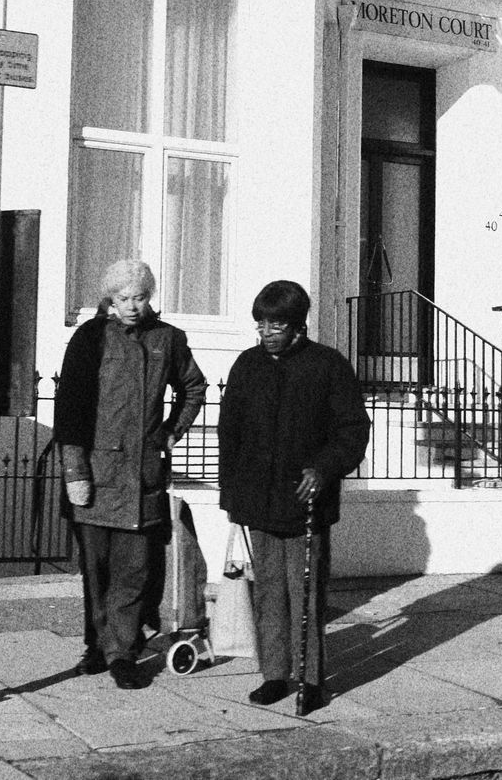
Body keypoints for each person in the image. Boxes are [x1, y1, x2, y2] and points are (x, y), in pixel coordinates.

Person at [217, 280, 370, 713]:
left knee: (304, 591)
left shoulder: (328, 366)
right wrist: (232, 495)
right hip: (259, 501)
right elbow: (230, 433)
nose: (266, 333)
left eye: (276, 325)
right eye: (261, 324)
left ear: (299, 325)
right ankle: (274, 675)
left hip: (306, 502)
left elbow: (353, 431)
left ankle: (311, 678)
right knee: (268, 591)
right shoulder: (247, 365)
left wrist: (323, 468)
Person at [55, 259, 207, 690]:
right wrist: (74, 469)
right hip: (97, 473)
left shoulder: (168, 339)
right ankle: (98, 646)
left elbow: (193, 387)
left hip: (143, 475)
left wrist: (173, 432)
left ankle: (122, 652)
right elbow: (69, 406)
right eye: (123, 298)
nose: (132, 306)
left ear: (149, 296)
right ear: (110, 299)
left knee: (135, 568)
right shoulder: (90, 338)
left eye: (140, 297)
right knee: (96, 568)